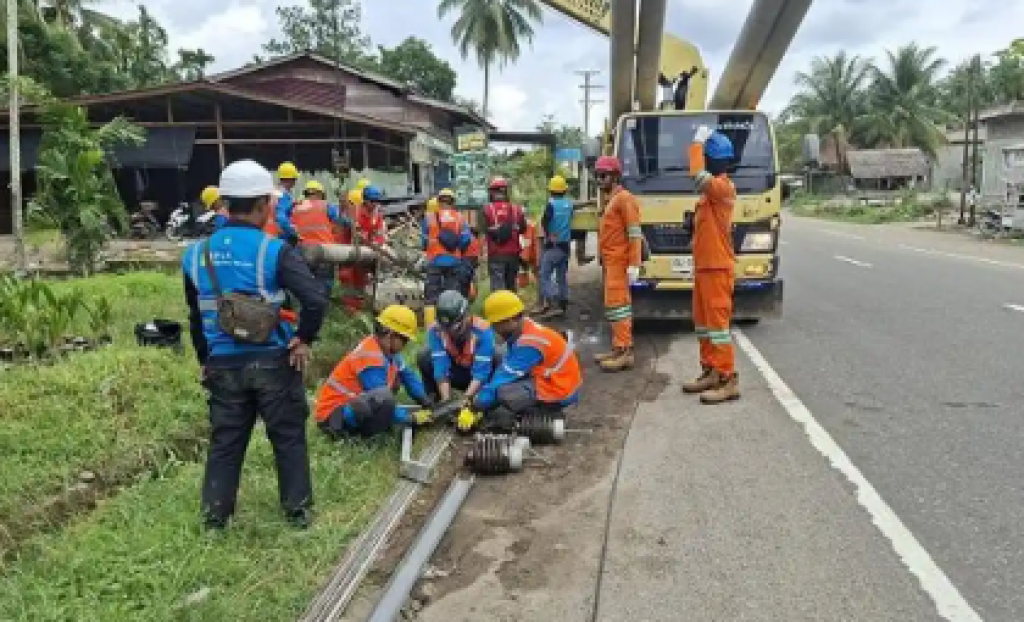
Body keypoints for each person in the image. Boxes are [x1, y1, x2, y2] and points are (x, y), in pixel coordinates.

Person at [181, 159, 328, 531]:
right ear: (263, 204)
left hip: (222, 363)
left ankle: (216, 516)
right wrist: (303, 340)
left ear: (226, 202)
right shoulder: (274, 250)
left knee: (226, 440)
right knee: (288, 435)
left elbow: (196, 315)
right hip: (272, 360)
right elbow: (314, 299)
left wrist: (205, 357)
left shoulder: (194, 255)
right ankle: (297, 511)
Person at [681, 130, 740, 404]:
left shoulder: (723, 187)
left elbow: (697, 175)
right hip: (705, 267)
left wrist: (695, 144)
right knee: (703, 325)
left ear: (713, 161)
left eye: (705, 157)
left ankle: (728, 379)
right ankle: (710, 371)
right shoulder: (707, 197)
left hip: (717, 269)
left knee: (717, 326)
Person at [315, 305, 435, 437]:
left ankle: (372, 427)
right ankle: (355, 433)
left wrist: (424, 399)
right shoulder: (370, 358)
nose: (405, 344)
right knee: (384, 397)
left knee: (390, 389)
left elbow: (408, 375)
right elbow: (381, 399)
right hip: (333, 417)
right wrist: (409, 418)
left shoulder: (388, 352)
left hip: (349, 406)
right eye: (404, 339)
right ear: (390, 334)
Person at [472, 290, 582, 429]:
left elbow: (501, 378)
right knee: (498, 353)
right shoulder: (525, 325)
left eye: (496, 324)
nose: (494, 329)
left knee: (503, 392)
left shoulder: (530, 343)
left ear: (511, 319)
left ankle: (546, 414)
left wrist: (477, 405)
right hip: (554, 377)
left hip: (559, 389)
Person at [592, 155, 642, 372]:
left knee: (620, 307)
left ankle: (625, 351)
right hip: (611, 263)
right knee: (613, 307)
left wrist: (634, 263)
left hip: (620, 263)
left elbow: (634, 232)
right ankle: (618, 347)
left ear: (615, 176)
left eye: (604, 176)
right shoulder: (611, 200)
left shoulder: (624, 199)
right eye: (598, 176)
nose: (600, 180)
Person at [416, 290, 498, 404]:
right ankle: (434, 400)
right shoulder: (436, 330)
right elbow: (440, 366)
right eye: (446, 328)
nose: (450, 332)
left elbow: (481, 373)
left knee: (498, 355)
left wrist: (465, 400)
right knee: (423, 356)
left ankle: (488, 399)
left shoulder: (483, 330)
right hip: (455, 372)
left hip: (478, 375)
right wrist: (446, 402)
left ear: (466, 316)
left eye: (454, 328)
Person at [283, 179, 350, 297]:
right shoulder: (326, 205)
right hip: (324, 252)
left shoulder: (296, 207)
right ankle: (322, 308)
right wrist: (353, 225)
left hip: (302, 252)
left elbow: (289, 228)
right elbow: (341, 220)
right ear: (320, 193)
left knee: (305, 285)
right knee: (324, 284)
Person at [421, 188, 471, 325]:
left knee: (431, 297)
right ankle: (453, 325)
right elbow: (466, 240)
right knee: (453, 294)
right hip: (454, 261)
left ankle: (431, 329)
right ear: (453, 202)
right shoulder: (460, 218)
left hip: (434, 261)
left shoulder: (429, 218)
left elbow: (424, 242)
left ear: (438, 201)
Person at [533, 175, 574, 319]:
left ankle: (555, 303)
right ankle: (562, 303)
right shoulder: (569, 204)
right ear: (564, 190)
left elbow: (544, 222)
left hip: (553, 246)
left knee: (544, 275)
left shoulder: (550, 205)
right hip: (565, 246)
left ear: (551, 191)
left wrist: (550, 236)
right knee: (561, 276)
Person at [483, 177, 527, 293]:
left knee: (498, 288)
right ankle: (513, 310)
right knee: (511, 286)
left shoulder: (486, 209)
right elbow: (523, 229)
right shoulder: (517, 209)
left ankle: (499, 310)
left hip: (496, 255)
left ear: (491, 192)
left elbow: (482, 231)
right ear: (506, 192)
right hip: (513, 255)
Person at [274, 161, 300, 245]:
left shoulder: (275, 192)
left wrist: (292, 205)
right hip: (281, 238)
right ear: (290, 179)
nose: (295, 182)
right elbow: (281, 217)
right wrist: (293, 230)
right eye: (294, 179)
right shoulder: (284, 195)